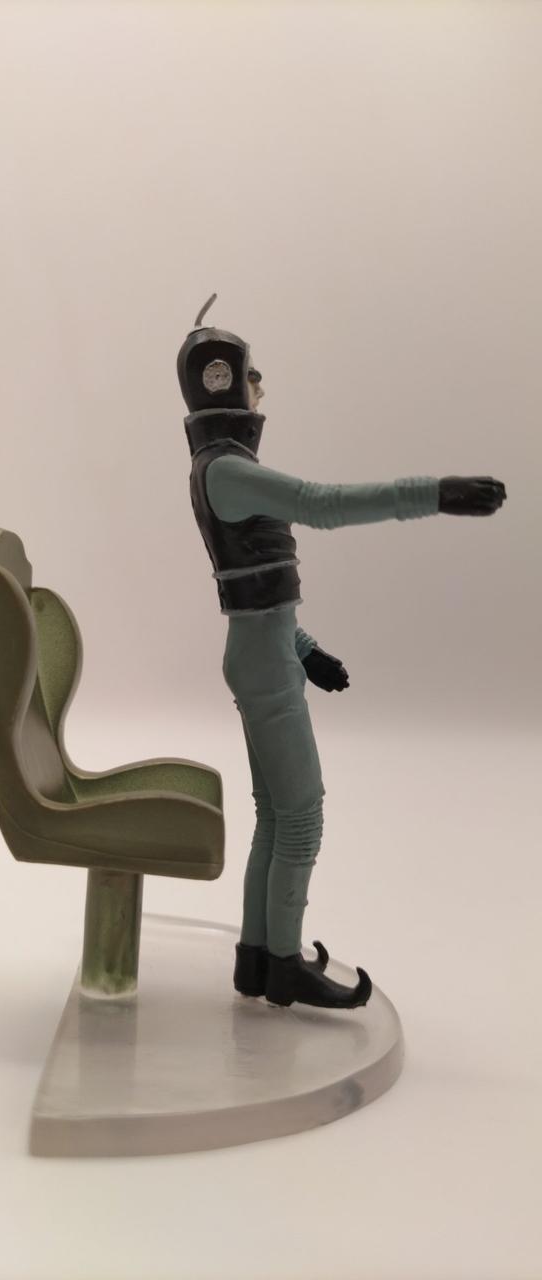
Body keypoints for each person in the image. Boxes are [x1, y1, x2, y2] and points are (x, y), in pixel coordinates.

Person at [178, 295, 506, 1009]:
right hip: (262, 664)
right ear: (221, 382)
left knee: (275, 815)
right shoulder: (225, 470)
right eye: (251, 375)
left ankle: (258, 961)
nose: (261, 387)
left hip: (263, 652)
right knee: (301, 816)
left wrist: (305, 648)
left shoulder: (218, 466)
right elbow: (322, 503)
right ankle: (285, 963)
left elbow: (258, 594)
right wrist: (436, 493)